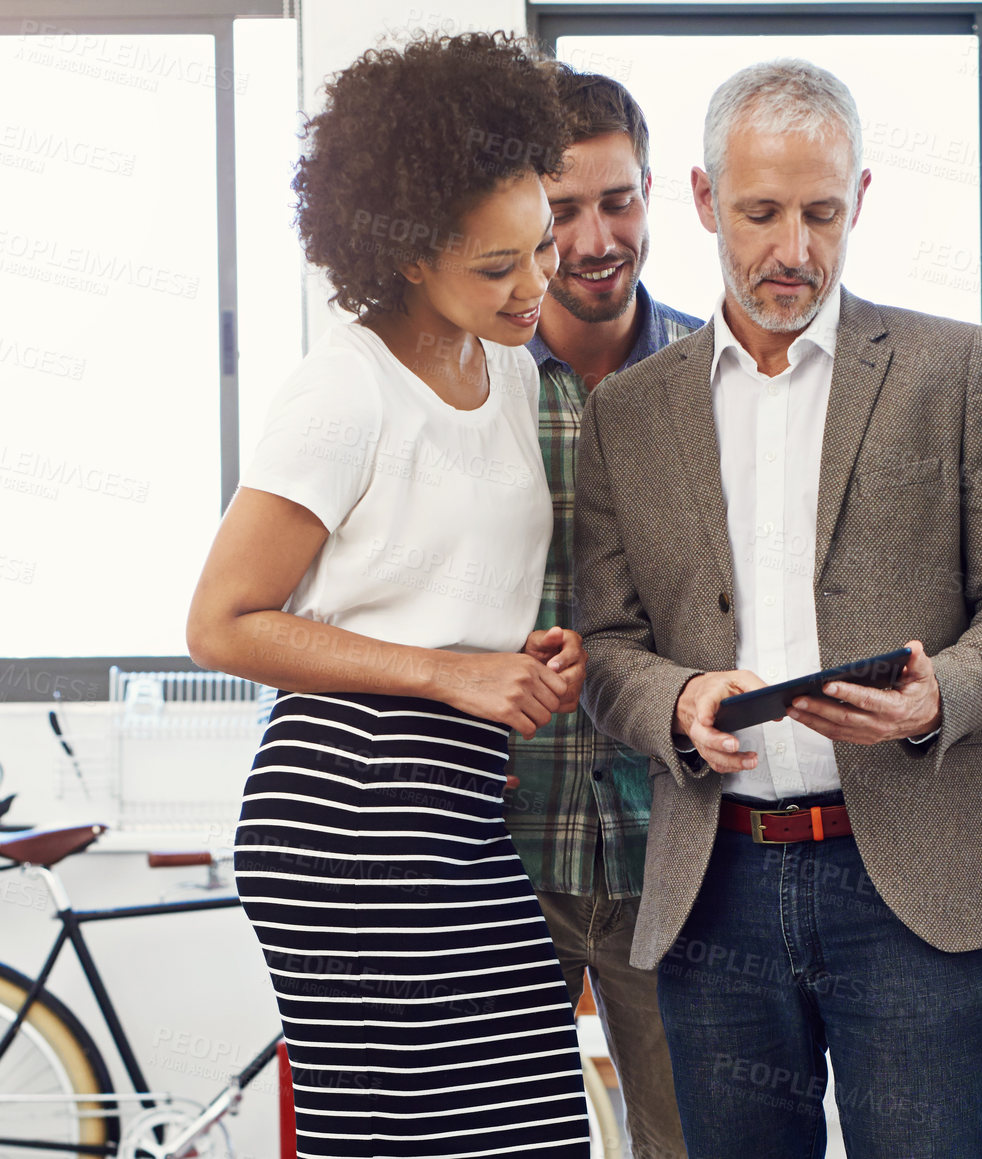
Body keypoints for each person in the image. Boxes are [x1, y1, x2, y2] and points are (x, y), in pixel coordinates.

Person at [569, 58, 982, 1159]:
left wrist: (947, 691)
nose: (793, 249)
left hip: (914, 884)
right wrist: (681, 697)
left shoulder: (957, 369)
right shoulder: (631, 412)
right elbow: (605, 646)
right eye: (759, 213)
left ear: (860, 200)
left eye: (821, 213)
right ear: (702, 201)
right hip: (719, 888)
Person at [186, 32, 592, 1159]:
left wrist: (528, 656)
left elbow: (444, 588)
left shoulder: (509, 369)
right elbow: (220, 623)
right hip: (346, 811)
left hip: (461, 803)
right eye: (496, 265)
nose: (535, 285)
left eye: (540, 246)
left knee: (534, 1130)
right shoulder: (341, 390)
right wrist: (447, 671)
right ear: (410, 255)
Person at [505, 65, 698, 1159]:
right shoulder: (469, 382)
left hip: (670, 844)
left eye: (616, 201)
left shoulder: (714, 376)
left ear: (655, 194)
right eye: (560, 208)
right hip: (502, 836)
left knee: (693, 1140)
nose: (592, 238)